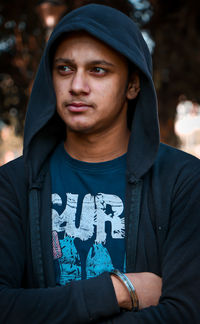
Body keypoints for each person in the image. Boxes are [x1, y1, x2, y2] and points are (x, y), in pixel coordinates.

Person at [0, 4, 200, 323]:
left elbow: (185, 313)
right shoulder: (14, 183)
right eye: (65, 68)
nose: (77, 85)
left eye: (98, 70)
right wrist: (118, 291)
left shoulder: (183, 181)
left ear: (133, 85)